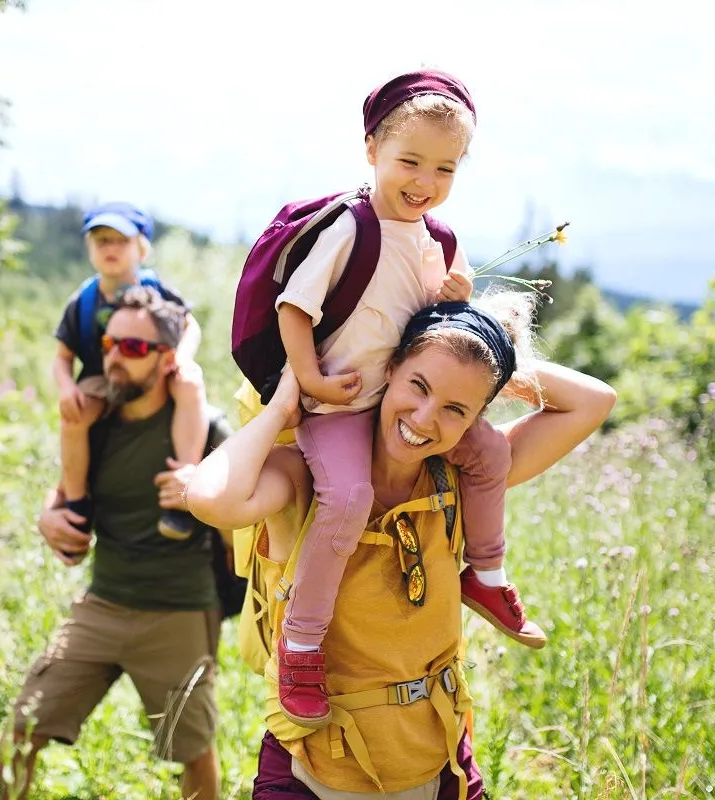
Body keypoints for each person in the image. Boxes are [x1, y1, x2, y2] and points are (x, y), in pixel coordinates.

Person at [188, 295, 617, 799]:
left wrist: (484, 353)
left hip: (440, 766)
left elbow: (595, 401)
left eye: (456, 408)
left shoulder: (462, 479)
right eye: (418, 385)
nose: (425, 417)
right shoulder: (305, 474)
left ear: (475, 418)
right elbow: (211, 498)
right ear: (388, 368)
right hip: (312, 769)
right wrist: (284, 405)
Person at [269, 69, 543, 728]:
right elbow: (294, 307)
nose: (425, 180)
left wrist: (451, 296)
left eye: (444, 168)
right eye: (410, 161)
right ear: (372, 150)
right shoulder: (350, 227)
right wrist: (307, 379)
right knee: (349, 497)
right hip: (339, 405)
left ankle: (486, 572)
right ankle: (301, 643)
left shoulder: (437, 240)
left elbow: (430, 328)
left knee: (486, 455)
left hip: (398, 398)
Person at [0, 287, 228, 800]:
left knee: (192, 750)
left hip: (180, 612)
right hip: (103, 605)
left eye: (134, 348)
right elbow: (62, 496)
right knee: (21, 730)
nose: (115, 357)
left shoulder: (206, 429)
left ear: (168, 359)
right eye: (109, 343)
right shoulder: (96, 422)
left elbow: (244, 518)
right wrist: (46, 520)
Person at [53, 201, 209, 542]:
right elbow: (62, 356)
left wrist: (181, 357)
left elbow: (189, 325)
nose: (110, 249)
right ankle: (77, 502)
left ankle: (182, 485)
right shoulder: (83, 300)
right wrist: (66, 388)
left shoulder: (157, 290)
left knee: (190, 383)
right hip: (101, 375)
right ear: (89, 248)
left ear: (141, 248)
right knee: (74, 418)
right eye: (101, 241)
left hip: (153, 369)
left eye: (120, 241)